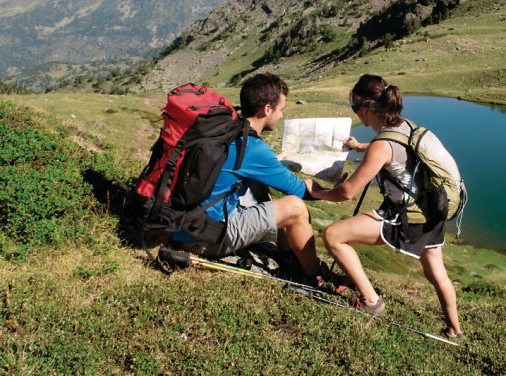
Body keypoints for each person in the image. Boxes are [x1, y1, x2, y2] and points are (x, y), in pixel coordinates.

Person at [306, 74, 464, 340]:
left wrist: (318, 192)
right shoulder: (407, 126)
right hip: (431, 212)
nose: (355, 112)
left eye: (355, 106)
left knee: (333, 235)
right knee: (436, 271)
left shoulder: (381, 145)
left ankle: (372, 302)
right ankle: (455, 329)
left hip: (405, 217)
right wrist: (361, 147)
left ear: (366, 108)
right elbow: (397, 145)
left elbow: (347, 192)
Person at [172, 73, 326, 284]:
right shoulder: (252, 147)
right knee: (296, 208)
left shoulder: (227, 129)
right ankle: (312, 276)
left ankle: (289, 256)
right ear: (267, 109)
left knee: (258, 183)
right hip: (203, 238)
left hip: (182, 223)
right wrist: (335, 190)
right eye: (281, 109)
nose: (281, 116)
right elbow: (299, 191)